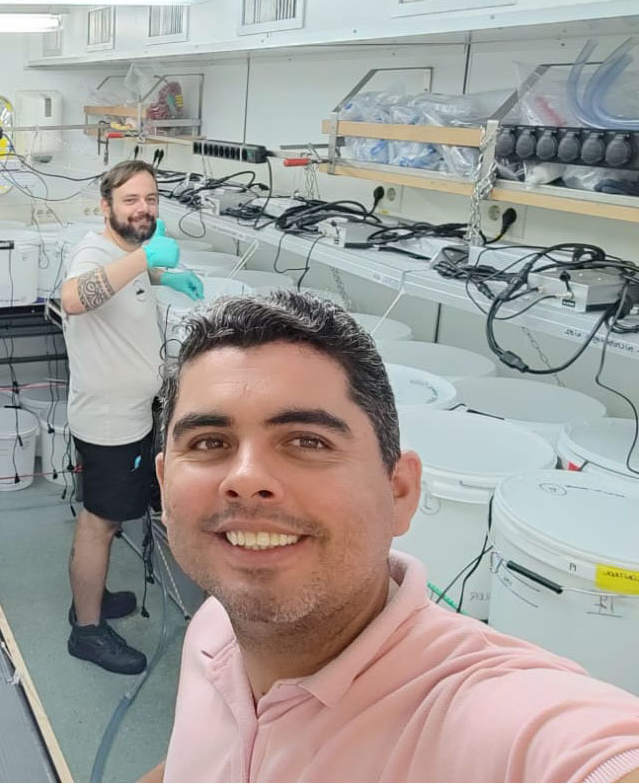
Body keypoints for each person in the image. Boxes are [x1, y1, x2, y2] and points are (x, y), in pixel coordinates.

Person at [144, 290, 639, 782]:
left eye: (307, 441)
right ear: (164, 486)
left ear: (399, 491)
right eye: (209, 442)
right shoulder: (215, 628)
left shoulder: (490, 719)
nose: (247, 478)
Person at [59, 160, 205, 674]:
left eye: (151, 199)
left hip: (132, 416)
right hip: (108, 423)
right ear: (106, 206)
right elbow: (74, 298)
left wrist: (164, 275)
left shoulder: (126, 253)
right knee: (99, 522)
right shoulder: (94, 252)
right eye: (130, 200)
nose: (144, 208)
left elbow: (129, 275)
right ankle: (87, 631)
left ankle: (91, 596)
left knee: (112, 514)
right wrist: (145, 257)